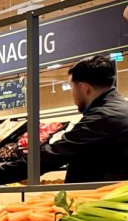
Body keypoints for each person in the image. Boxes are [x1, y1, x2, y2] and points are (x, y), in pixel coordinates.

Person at [42, 54, 128, 182]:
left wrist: (1, 173)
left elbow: (54, 155)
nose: (72, 93)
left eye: (72, 87)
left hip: (99, 197)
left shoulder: (101, 118)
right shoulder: (120, 108)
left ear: (84, 88)